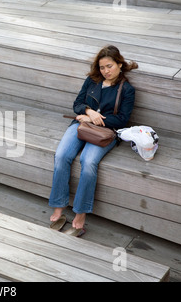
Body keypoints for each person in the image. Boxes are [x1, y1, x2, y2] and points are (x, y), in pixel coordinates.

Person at [48, 45, 138, 236]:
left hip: (105, 133)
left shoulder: (127, 90)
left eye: (109, 66)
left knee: (88, 162)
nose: (106, 71)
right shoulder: (92, 80)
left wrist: (96, 119)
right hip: (81, 125)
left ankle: (80, 214)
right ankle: (58, 207)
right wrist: (88, 112)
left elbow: (122, 119)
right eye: (102, 67)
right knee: (61, 155)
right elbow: (77, 104)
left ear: (120, 64)